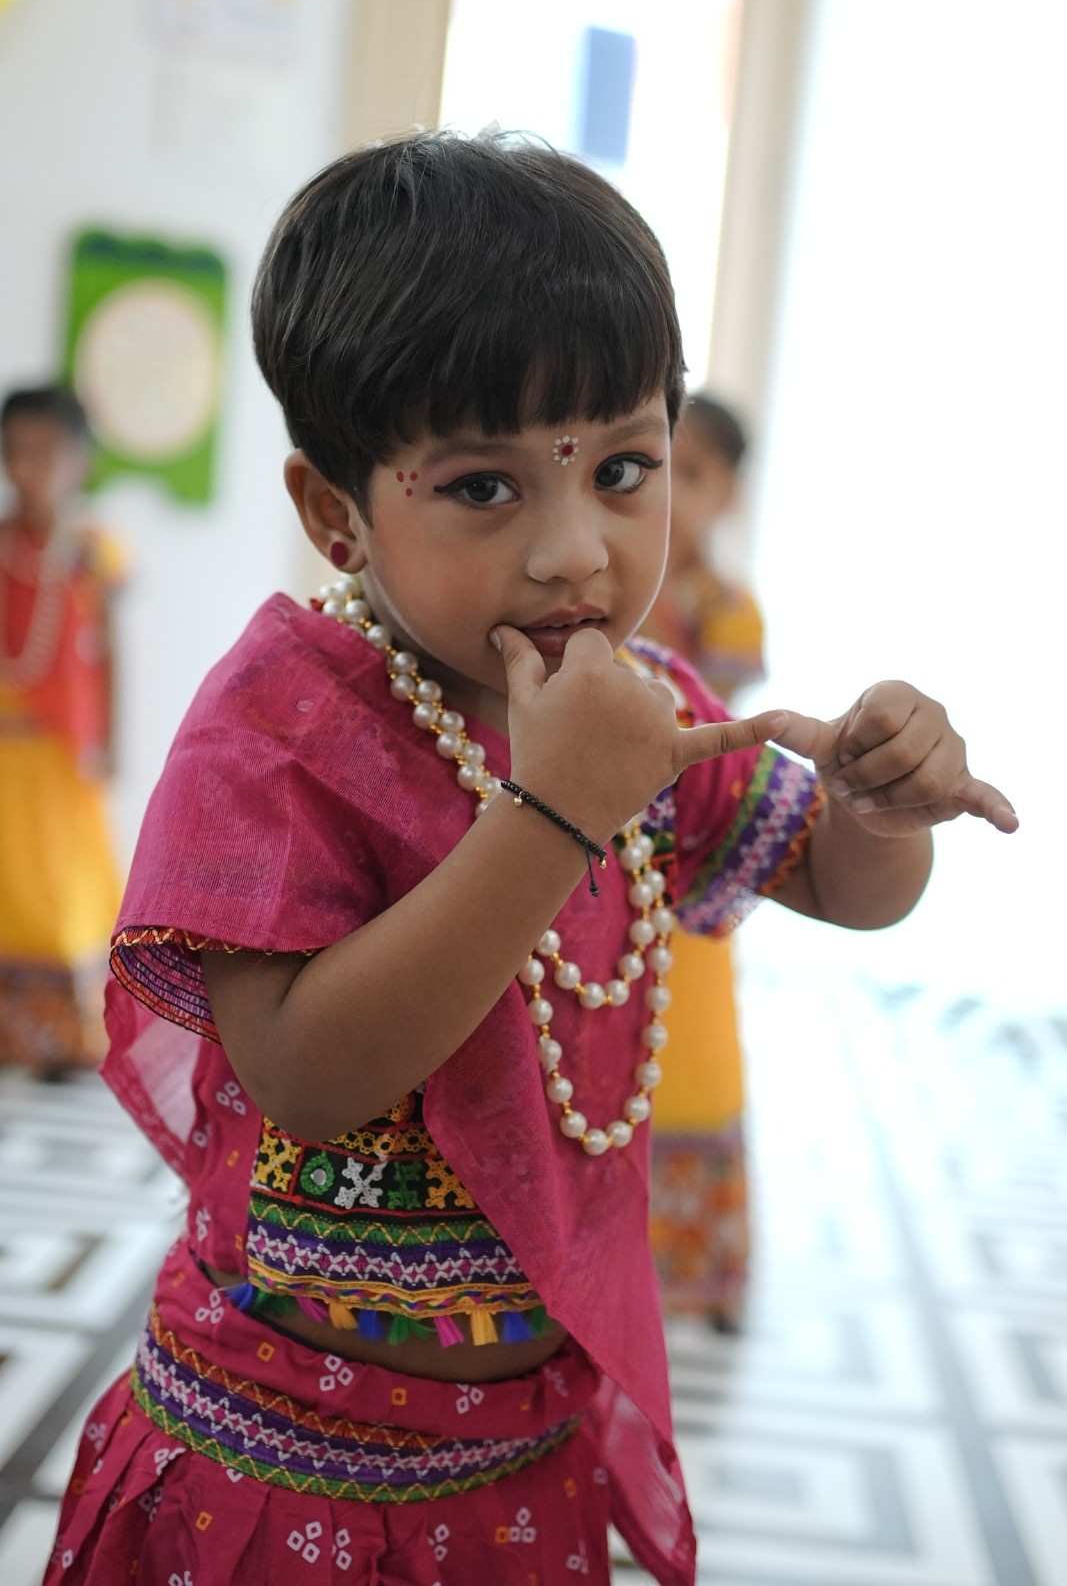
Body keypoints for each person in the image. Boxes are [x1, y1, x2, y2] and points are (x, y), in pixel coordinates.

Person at [46, 133, 1017, 1586]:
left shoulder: (644, 705)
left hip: (516, 1468)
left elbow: (835, 882)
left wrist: (879, 810)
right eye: (485, 489)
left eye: (621, 468)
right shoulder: (280, 726)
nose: (576, 554)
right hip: (269, 1458)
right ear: (334, 513)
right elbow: (309, 1076)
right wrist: (551, 816)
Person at [639, 394, 764, 1329]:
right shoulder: (616, 584)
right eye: (659, 465)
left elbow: (708, 720)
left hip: (694, 842)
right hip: (607, 844)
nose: (677, 492)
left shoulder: (725, 609)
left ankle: (703, 1267)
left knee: (696, 1051)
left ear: (727, 493)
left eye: (699, 474)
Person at [0, 385, 123, 1079]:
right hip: (4, 751)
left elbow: (112, 651)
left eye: (48, 453)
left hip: (63, 756)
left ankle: (70, 1035)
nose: (31, 467)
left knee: (65, 893)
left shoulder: (92, 553)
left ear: (80, 461)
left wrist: (114, 743)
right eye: (18, 451)